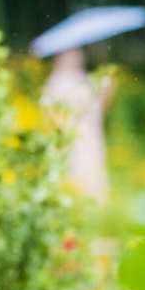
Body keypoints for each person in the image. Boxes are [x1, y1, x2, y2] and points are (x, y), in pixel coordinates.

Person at [40, 47, 114, 205]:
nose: (76, 58)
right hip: (69, 139)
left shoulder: (84, 79)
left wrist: (107, 89)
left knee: (92, 177)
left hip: (89, 137)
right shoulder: (56, 83)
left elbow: (98, 109)